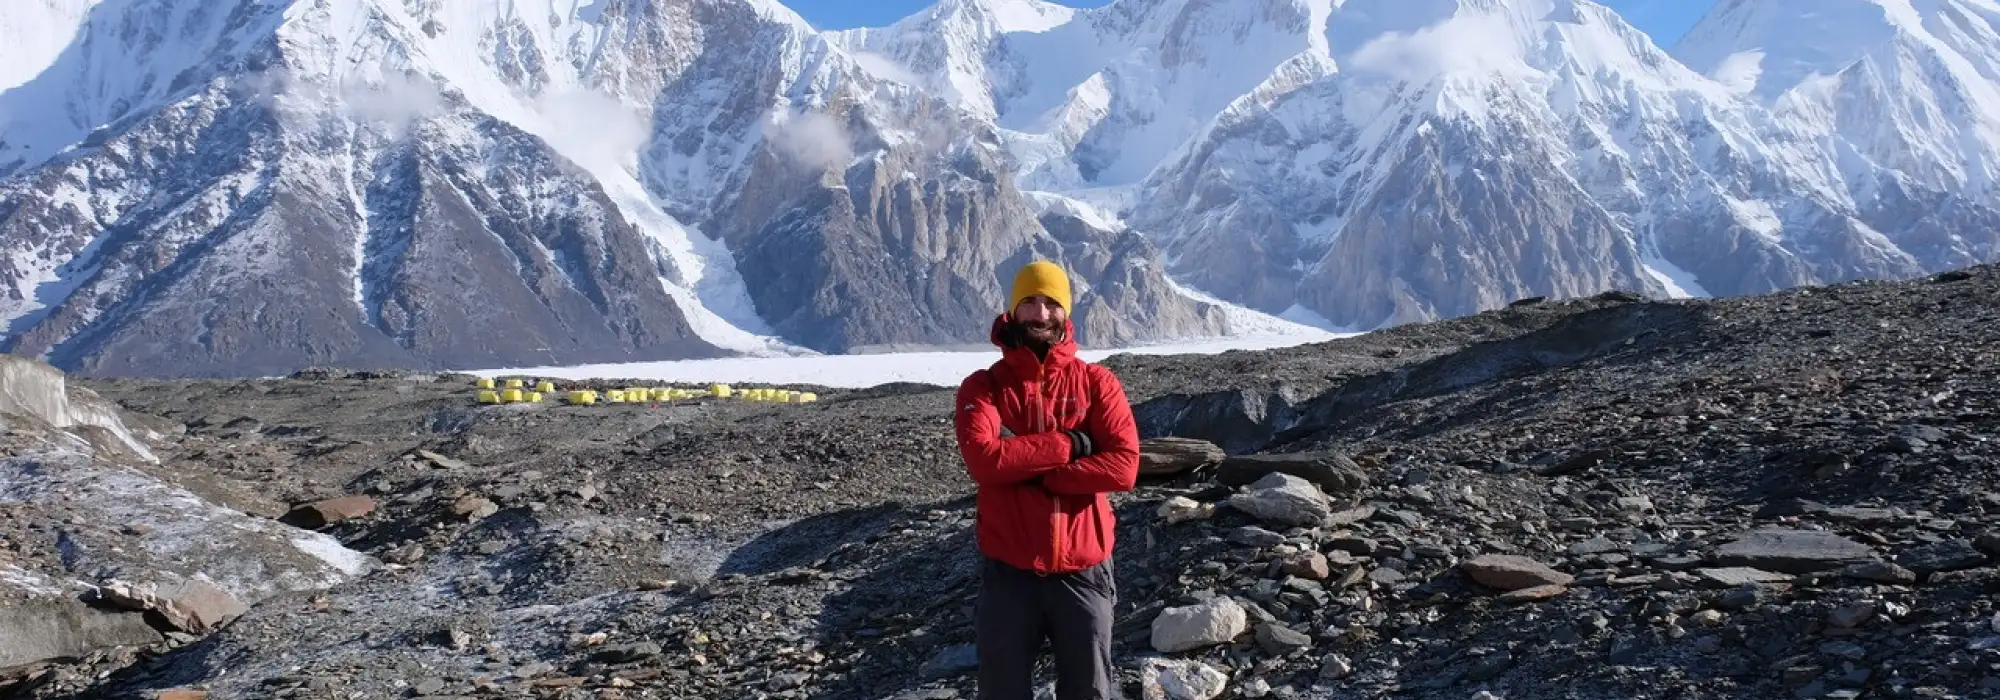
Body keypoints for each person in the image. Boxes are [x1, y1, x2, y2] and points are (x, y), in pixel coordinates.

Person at [953, 259, 1141, 700]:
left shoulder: (1098, 383)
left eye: (1052, 303)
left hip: (1084, 568)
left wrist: (1038, 475)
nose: (1041, 314)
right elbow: (983, 461)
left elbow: (1124, 467)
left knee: (1089, 691)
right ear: (1012, 311)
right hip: (1009, 571)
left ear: (1067, 312)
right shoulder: (983, 387)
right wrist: (1071, 444)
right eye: (1030, 302)